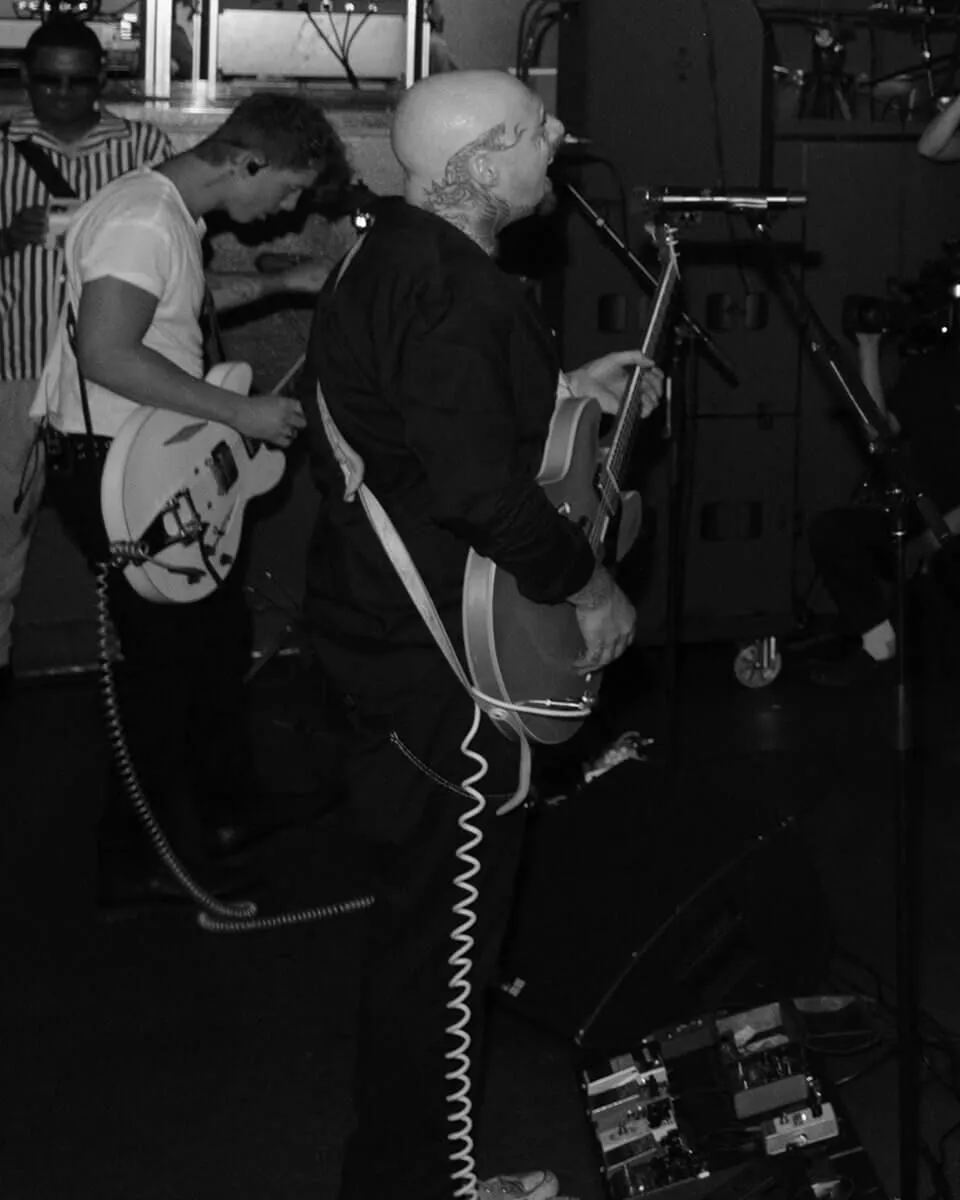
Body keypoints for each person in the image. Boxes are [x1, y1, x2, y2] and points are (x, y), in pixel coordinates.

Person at [300, 70, 663, 1200]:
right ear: (470, 171)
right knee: (447, 954)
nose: (557, 135)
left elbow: (425, 415)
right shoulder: (460, 291)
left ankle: (412, 1176)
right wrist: (590, 583)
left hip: (382, 639)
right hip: (442, 668)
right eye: (529, 129)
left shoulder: (398, 251)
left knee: (430, 936)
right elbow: (472, 488)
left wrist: (560, 391)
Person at [30, 92, 351, 900]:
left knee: (208, 645)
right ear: (246, 161)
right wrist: (239, 411)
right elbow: (107, 352)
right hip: (116, 468)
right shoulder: (144, 217)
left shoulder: (164, 212)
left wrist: (294, 284)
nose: (283, 213)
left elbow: (168, 314)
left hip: (144, 461)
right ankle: (141, 854)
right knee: (170, 663)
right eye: (284, 190)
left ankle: (223, 812)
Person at [0, 16, 175, 701]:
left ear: (103, 79)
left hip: (116, 383)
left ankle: (146, 700)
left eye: (79, 80)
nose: (64, 95)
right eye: (49, 80)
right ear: (24, 79)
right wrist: (7, 239)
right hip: (17, 373)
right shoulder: (4, 148)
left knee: (137, 543)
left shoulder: (146, 147)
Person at [807, 329, 960, 686]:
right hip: (919, 515)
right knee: (834, 533)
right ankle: (879, 646)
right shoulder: (930, 369)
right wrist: (869, 348)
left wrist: (931, 541)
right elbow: (879, 431)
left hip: (950, 531)